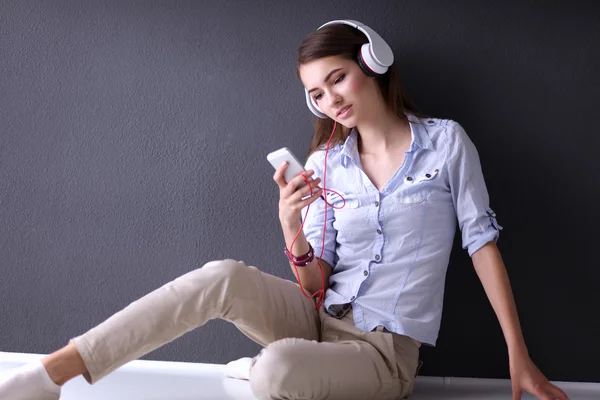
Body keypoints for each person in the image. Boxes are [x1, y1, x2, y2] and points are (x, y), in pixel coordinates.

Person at [0, 20, 569, 400]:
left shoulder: (445, 144)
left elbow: (482, 245)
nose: (331, 100)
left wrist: (519, 358)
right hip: (316, 320)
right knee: (220, 277)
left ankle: (277, 369)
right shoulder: (324, 163)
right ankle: (52, 374)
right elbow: (314, 283)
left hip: (383, 355)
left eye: (337, 78)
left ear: (373, 63)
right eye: (316, 93)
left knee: (274, 370)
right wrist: (291, 227)